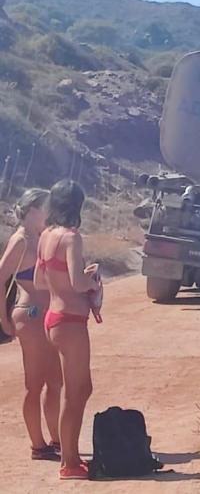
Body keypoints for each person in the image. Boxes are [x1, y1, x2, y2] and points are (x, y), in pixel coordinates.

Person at [34, 180, 100, 481]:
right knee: (77, 392)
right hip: (71, 322)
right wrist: (92, 280)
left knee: (73, 390)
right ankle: (69, 463)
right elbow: (77, 283)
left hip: (53, 317)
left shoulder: (45, 235)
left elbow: (38, 280)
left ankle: (69, 457)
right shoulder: (72, 238)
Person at [0, 188, 62, 461]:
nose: (50, 213)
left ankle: (56, 439)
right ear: (33, 210)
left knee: (55, 381)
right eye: (47, 207)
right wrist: (3, 319)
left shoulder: (40, 237)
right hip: (31, 314)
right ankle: (38, 445)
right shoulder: (21, 241)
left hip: (45, 315)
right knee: (34, 383)